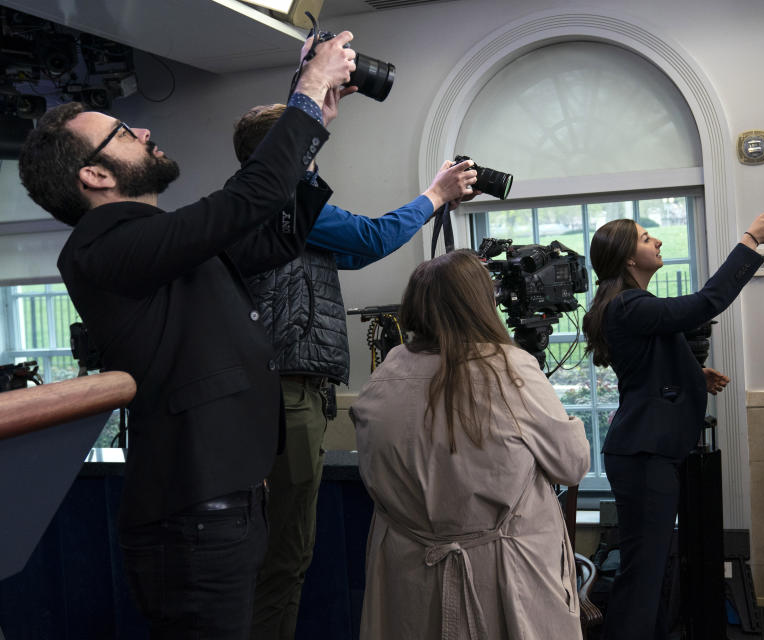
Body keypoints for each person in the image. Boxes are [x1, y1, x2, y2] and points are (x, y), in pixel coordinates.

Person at [16, 32, 357, 639]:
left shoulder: (154, 242)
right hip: (192, 521)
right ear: (95, 174)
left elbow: (271, 237)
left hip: (224, 505)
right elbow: (245, 200)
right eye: (124, 132)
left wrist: (309, 141)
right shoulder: (102, 247)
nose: (143, 132)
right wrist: (304, 95)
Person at [231, 101, 478, 639]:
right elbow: (371, 238)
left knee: (284, 555)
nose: (318, 160)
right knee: (284, 556)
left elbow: (355, 251)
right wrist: (436, 194)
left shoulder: (273, 209)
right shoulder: (278, 199)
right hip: (287, 393)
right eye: (309, 146)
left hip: (291, 392)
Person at [349, 249, 590, 640]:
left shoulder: (386, 374)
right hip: (500, 577)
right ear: (482, 303)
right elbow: (572, 464)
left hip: (408, 573)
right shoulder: (508, 368)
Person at [582, 213, 764, 639]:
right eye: (644, 238)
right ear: (627, 259)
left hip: (646, 454)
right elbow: (706, 303)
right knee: (644, 574)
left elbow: (647, 368)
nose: (655, 241)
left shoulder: (629, 305)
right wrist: (749, 242)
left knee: (648, 570)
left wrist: (696, 376)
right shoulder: (629, 305)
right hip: (643, 457)